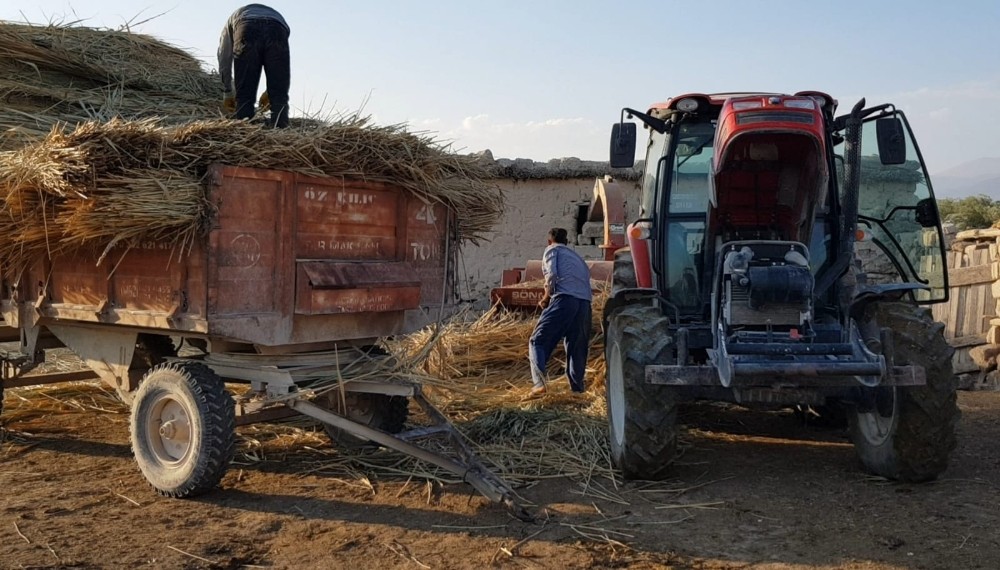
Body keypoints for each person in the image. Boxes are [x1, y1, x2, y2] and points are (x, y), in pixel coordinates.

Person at [527, 228, 593, 397]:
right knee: (577, 346)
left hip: (565, 300)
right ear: (567, 242)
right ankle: (577, 391)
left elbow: (552, 274)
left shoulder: (552, 250)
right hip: (585, 303)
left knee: (537, 341)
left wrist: (546, 296)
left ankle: (539, 384)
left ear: (549, 241)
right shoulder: (578, 258)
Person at [218, 4, 291, 128]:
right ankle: (281, 132)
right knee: (279, 97)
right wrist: (272, 91)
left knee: (245, 94)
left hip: (246, 27)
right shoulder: (277, 17)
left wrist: (227, 91)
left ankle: (245, 132)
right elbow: (279, 68)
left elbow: (224, 56)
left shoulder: (231, 22)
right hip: (278, 28)